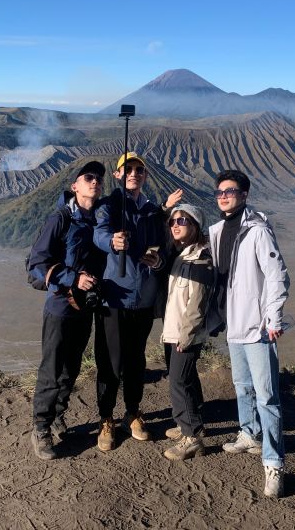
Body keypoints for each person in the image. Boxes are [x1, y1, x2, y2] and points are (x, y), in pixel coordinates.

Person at [209, 169, 290, 497]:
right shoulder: (215, 231)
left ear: (244, 194)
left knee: (267, 396)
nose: (224, 196)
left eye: (230, 191)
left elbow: (277, 275)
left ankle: (274, 464)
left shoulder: (257, 232)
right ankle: (250, 434)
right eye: (219, 192)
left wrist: (273, 319)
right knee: (242, 387)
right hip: (233, 325)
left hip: (257, 327)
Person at [27, 160, 107, 460]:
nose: (94, 181)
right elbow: (36, 263)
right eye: (88, 177)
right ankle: (41, 428)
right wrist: (72, 278)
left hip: (84, 308)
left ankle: (58, 415)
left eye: (98, 178)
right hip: (60, 307)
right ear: (75, 185)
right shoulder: (61, 219)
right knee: (52, 368)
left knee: (72, 366)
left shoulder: (99, 220)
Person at [92, 152, 167, 451]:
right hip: (114, 297)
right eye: (128, 169)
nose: (134, 173)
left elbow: (161, 246)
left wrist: (158, 260)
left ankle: (133, 412)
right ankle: (105, 418)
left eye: (139, 170)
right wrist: (112, 241)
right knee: (109, 359)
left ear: (145, 175)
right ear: (118, 174)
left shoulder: (151, 211)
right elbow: (98, 234)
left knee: (136, 358)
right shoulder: (108, 206)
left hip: (143, 298)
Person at [160, 203, 214, 461]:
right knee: (186, 377)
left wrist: (187, 335)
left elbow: (197, 304)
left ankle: (192, 438)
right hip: (176, 330)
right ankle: (188, 425)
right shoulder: (184, 255)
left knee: (179, 381)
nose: (175, 225)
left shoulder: (200, 260)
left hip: (185, 333)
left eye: (182, 221)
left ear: (195, 225)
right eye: (172, 221)